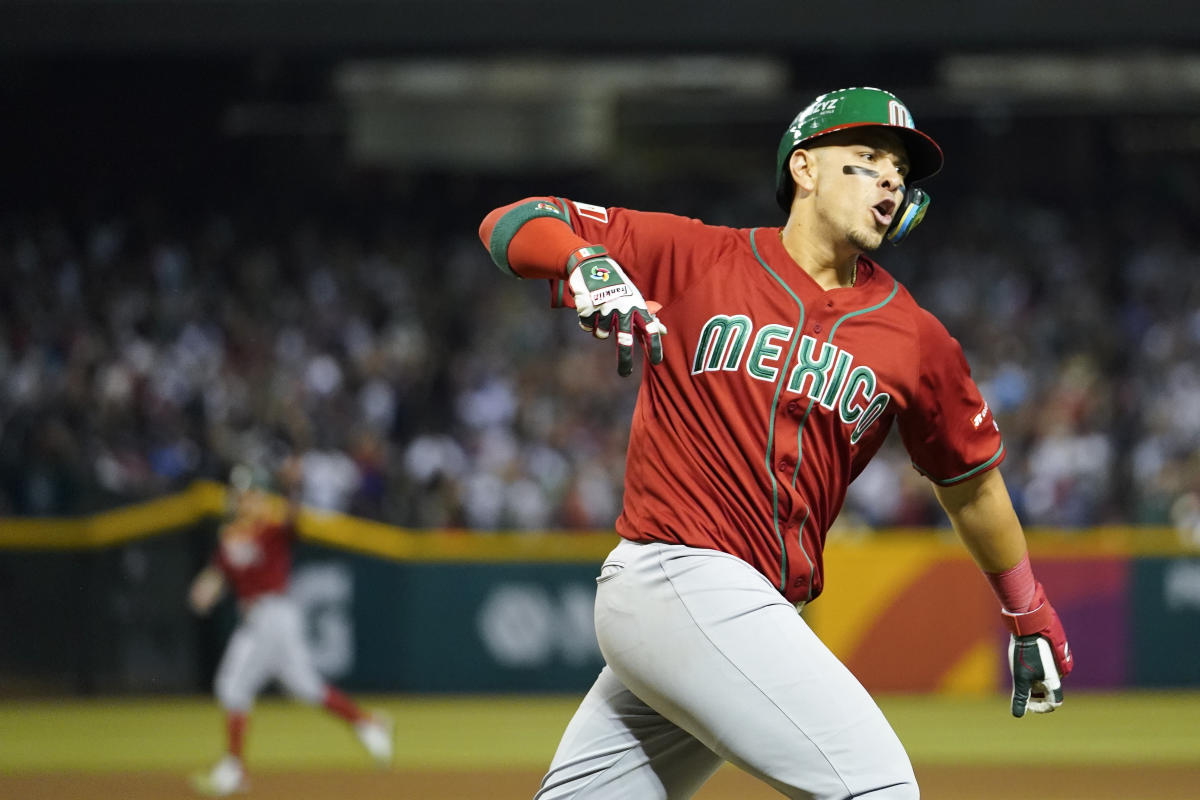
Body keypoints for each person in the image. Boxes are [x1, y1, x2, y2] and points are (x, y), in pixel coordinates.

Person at [478, 86, 1074, 799]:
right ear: (804, 168)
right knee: (875, 787)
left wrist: (1025, 607)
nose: (890, 177)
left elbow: (970, 482)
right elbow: (510, 222)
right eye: (867, 158)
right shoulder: (696, 256)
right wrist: (583, 260)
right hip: (679, 573)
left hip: (738, 613)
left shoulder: (915, 338)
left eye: (899, 171)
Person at [188, 461, 394, 797]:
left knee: (232, 685)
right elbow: (215, 577)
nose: (244, 499)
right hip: (259, 620)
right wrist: (203, 591)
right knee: (304, 686)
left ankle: (233, 769)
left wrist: (292, 489)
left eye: (250, 493)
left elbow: (295, 521)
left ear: (260, 496)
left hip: (273, 615)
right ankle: (367, 723)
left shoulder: (271, 527)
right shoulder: (229, 537)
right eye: (240, 493)